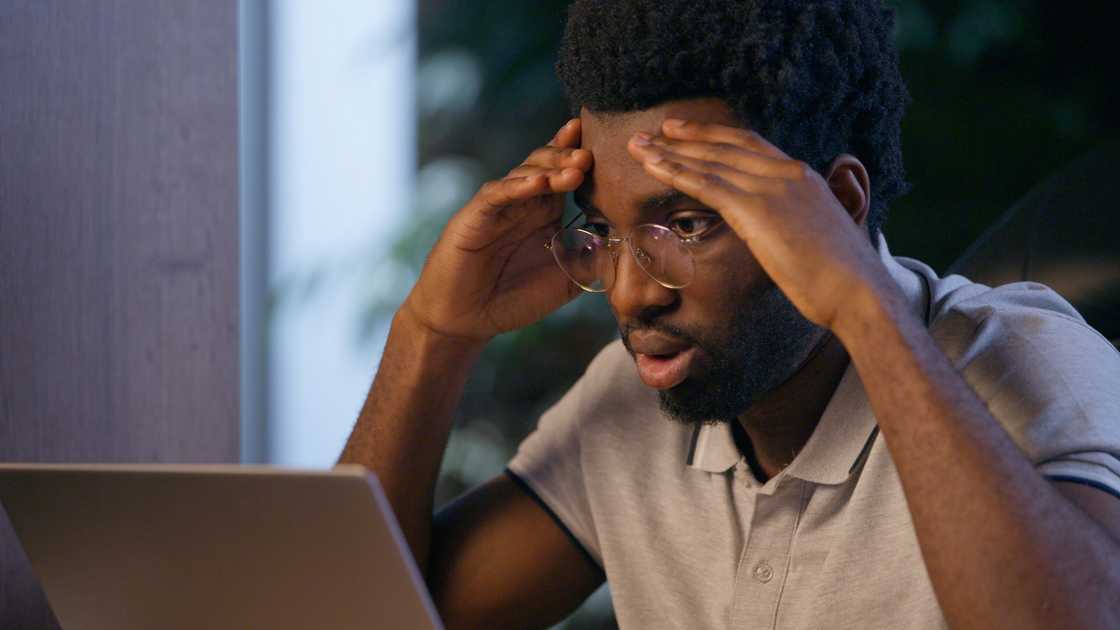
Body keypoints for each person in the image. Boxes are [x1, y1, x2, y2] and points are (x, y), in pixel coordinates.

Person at [340, 1, 1120, 627]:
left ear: (840, 206)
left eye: (687, 224)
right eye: (605, 229)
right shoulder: (628, 404)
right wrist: (431, 335)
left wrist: (863, 305)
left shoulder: (1029, 358)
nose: (632, 294)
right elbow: (364, 617)